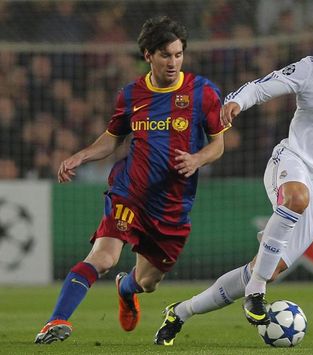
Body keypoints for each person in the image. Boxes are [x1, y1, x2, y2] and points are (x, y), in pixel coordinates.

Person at [154, 5, 313, 346]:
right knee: (295, 198)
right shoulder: (312, 69)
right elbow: (265, 86)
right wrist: (236, 102)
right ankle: (256, 293)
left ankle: (181, 312)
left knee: (266, 266)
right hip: (291, 160)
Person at [34, 16, 226, 344]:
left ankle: (126, 288)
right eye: (166, 55)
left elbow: (217, 145)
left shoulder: (202, 92)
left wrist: (196, 158)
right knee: (103, 257)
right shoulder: (132, 94)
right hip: (131, 192)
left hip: (172, 205)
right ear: (148, 54)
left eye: (179, 54)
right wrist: (80, 155)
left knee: (149, 282)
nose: (173, 62)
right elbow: (112, 139)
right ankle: (55, 321)